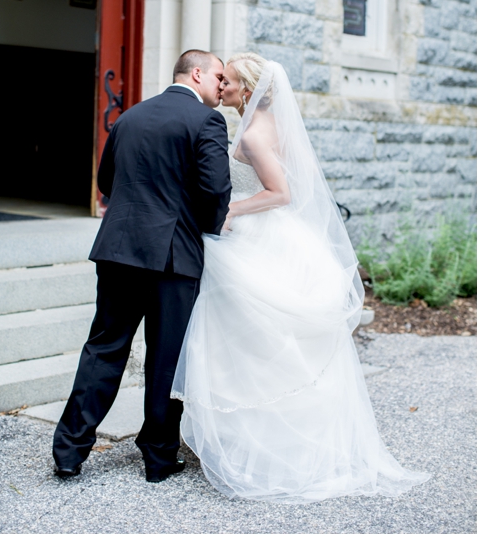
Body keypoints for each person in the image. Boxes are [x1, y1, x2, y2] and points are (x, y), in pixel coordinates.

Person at [172, 53, 429, 501]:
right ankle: (270, 443)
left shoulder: (252, 133)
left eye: (228, 81)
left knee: (257, 343)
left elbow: (281, 192)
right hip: (284, 238)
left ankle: (266, 448)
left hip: (263, 237)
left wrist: (230, 209)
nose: (222, 86)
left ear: (246, 90)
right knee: (272, 345)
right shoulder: (271, 125)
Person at [52, 50, 232, 482]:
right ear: (197, 73)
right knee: (166, 358)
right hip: (174, 254)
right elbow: (215, 190)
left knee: (103, 348)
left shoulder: (129, 116)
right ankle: (158, 457)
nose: (222, 87)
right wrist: (205, 232)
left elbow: (106, 181)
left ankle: (69, 451)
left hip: (118, 248)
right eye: (219, 77)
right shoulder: (207, 121)